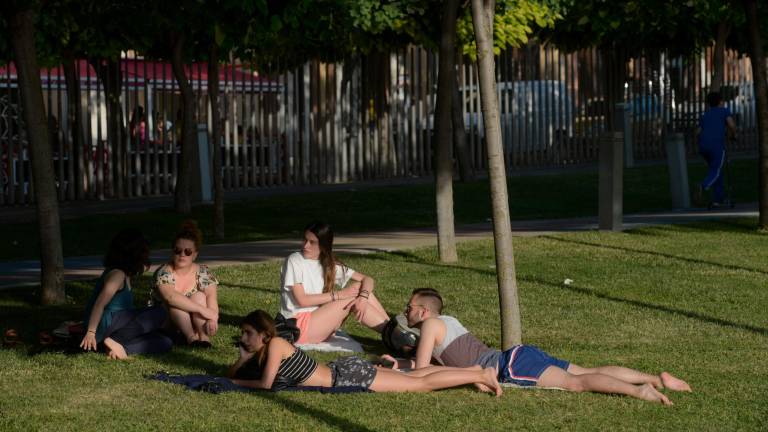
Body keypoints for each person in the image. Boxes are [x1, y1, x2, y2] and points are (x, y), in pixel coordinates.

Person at [384, 288, 692, 405]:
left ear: (425, 311)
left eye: (409, 307)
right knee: (588, 371)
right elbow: (436, 365)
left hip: (509, 366)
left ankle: (641, 391)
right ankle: (654, 378)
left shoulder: (429, 327)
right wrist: (399, 365)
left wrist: (400, 371)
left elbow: (425, 372)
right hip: (518, 355)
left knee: (577, 383)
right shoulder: (448, 321)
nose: (406, 311)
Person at [227, 310, 502, 395]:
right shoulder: (267, 350)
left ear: (265, 334)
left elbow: (265, 385)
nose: (244, 338)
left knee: (420, 384)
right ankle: (472, 372)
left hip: (347, 377)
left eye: (248, 333)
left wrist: (235, 380)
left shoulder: (275, 345)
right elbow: (250, 377)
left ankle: (482, 375)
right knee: (418, 376)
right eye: (243, 333)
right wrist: (242, 359)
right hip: (343, 372)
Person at [279, 221, 389, 344]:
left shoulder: (328, 264)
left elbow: (368, 279)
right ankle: (395, 335)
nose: (305, 246)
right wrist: (338, 295)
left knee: (360, 289)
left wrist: (363, 298)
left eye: (312, 242)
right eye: (304, 240)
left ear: (324, 245)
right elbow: (302, 300)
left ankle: (396, 331)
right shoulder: (294, 260)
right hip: (296, 326)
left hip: (318, 323)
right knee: (350, 299)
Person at [80, 229, 172, 359]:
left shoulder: (126, 274)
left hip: (114, 328)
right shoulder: (117, 275)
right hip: (103, 326)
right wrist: (91, 332)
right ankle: (115, 340)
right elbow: (99, 304)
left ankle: (117, 348)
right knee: (159, 312)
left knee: (164, 342)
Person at [153, 220, 219, 347]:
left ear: (195, 255)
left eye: (188, 252)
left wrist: (212, 318)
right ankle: (191, 338)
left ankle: (203, 338)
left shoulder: (203, 272)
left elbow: (211, 297)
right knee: (177, 302)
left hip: (196, 322)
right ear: (173, 252)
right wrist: (203, 311)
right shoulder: (164, 272)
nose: (182, 255)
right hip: (167, 322)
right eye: (178, 250)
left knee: (199, 296)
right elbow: (170, 297)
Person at [696, 92, 737, 207]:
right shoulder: (724, 111)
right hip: (716, 145)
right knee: (716, 170)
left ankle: (718, 199)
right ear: (720, 102)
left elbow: (697, 132)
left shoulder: (705, 115)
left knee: (716, 171)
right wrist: (733, 135)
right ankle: (703, 186)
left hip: (704, 146)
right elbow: (731, 125)